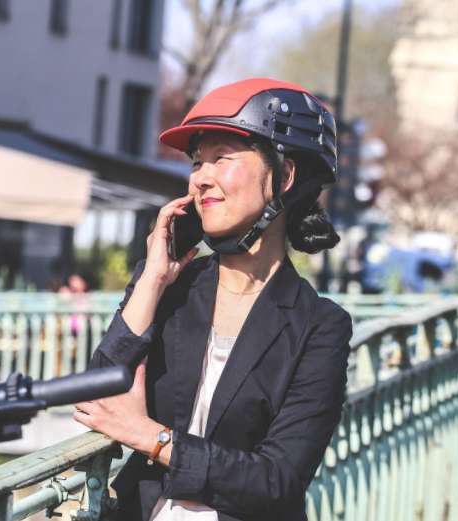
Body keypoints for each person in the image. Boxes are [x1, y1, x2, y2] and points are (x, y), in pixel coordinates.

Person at [73, 78, 352, 521]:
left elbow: (277, 481)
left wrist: (154, 439)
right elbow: (98, 396)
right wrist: (152, 279)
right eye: (197, 163)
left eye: (221, 159)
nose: (201, 179)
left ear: (284, 176)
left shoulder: (319, 326)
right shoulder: (169, 289)